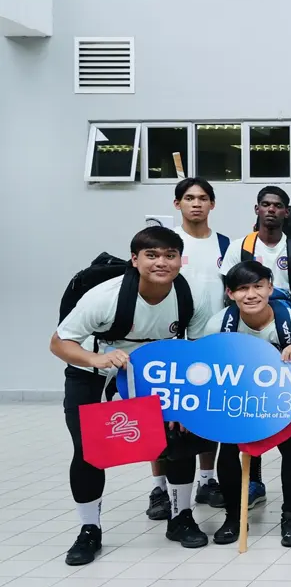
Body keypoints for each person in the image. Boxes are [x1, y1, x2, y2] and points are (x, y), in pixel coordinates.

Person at [51, 226, 210, 565]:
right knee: (89, 452)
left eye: (169, 255)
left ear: (181, 260)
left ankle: (181, 517)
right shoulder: (104, 297)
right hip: (93, 374)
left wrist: (186, 401)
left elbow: (195, 348)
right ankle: (89, 530)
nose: (161, 262)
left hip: (156, 375)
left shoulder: (189, 295)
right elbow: (59, 342)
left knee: (179, 439)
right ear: (134, 259)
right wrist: (96, 359)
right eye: (151, 255)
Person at [207, 260, 291, 548]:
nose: (250, 294)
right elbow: (207, 368)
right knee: (228, 453)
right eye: (242, 288)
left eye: (257, 286)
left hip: (280, 397)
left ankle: (290, 516)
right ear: (230, 293)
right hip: (236, 398)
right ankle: (233, 517)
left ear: (270, 287)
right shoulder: (219, 324)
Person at [171, 177, 231, 512]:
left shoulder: (224, 244)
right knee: (169, 418)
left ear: (212, 204)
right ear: (177, 203)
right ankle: (160, 489)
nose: (197, 203)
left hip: (214, 343)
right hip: (175, 341)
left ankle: (207, 479)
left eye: (203, 198)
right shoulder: (169, 243)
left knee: (210, 415)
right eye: (189, 198)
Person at [221, 186, 291, 308]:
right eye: (265, 204)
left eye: (278, 206)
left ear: (287, 212)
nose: (271, 209)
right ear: (257, 209)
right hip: (248, 317)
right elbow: (229, 292)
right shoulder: (239, 247)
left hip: (288, 317)